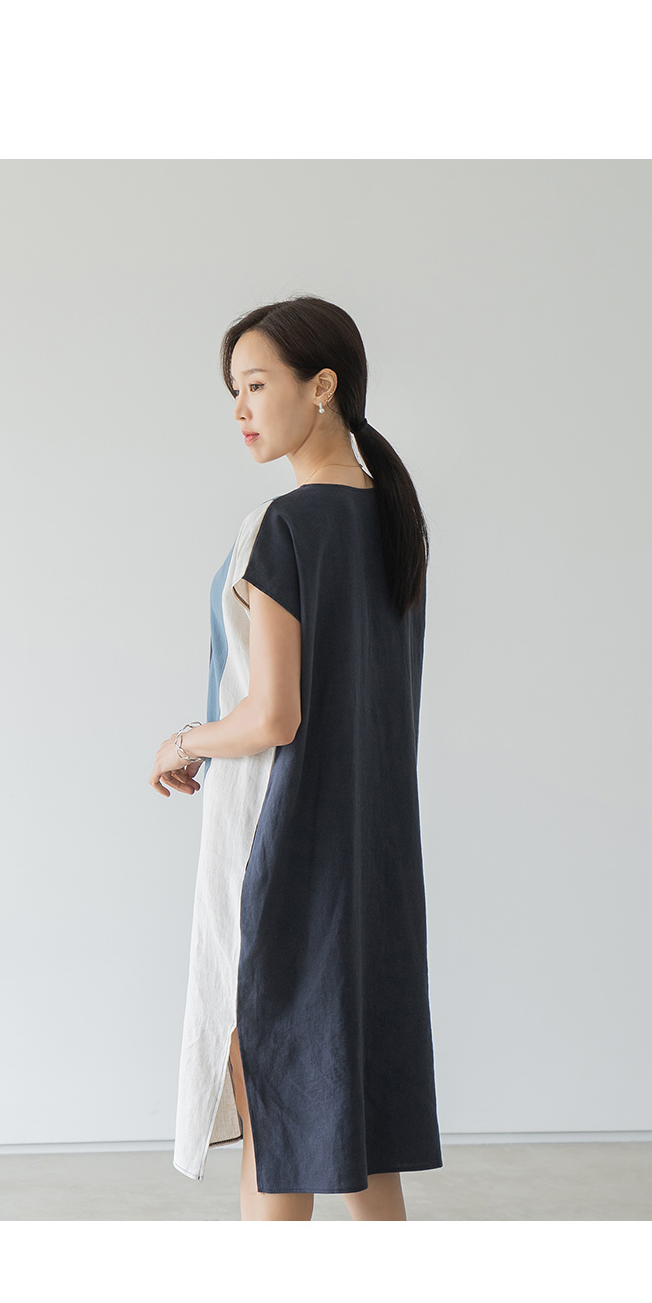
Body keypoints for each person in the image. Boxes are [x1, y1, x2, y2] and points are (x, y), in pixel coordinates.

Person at [151, 296, 442, 1222]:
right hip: (372, 856)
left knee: (274, 1125)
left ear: (322, 386)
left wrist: (184, 741)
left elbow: (274, 715)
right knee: (359, 1133)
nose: (240, 410)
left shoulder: (288, 524)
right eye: (232, 391)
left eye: (255, 385)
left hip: (280, 852)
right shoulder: (394, 518)